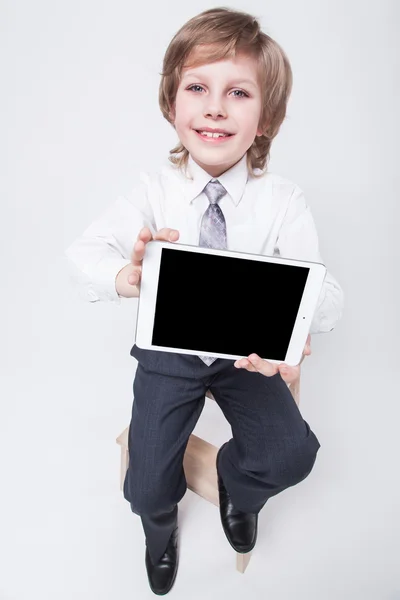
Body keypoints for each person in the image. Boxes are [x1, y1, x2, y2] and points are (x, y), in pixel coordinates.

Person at [65, 7, 344, 595]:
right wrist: (132, 275)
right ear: (172, 106)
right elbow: (83, 253)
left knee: (292, 455)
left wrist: (293, 332)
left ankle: (237, 488)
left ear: (266, 119)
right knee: (145, 486)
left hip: (247, 355)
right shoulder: (151, 191)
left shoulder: (284, 202)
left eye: (238, 93)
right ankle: (160, 524)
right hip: (168, 352)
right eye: (197, 88)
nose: (215, 107)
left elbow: (326, 293)